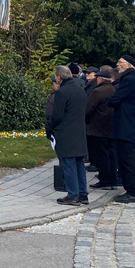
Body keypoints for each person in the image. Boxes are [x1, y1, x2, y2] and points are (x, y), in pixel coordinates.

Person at [49, 65, 89, 206]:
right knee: (79, 163)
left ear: (59, 77)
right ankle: (83, 193)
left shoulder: (62, 92)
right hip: (79, 130)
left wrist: (50, 127)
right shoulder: (81, 90)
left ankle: (73, 194)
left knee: (69, 163)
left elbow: (57, 115)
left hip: (66, 132)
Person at [106, 55, 135, 203]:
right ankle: (131, 190)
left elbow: (114, 99)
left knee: (127, 160)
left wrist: (112, 100)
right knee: (127, 159)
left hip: (126, 126)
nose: (117, 65)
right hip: (126, 125)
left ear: (128, 65)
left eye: (120, 62)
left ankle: (133, 192)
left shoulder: (130, 80)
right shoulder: (130, 79)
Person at [86, 70, 117, 190]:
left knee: (102, 155)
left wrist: (86, 120)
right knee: (112, 154)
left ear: (101, 79)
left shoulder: (98, 91)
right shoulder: (114, 90)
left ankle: (104, 180)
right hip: (112, 127)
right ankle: (112, 179)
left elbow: (89, 109)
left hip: (99, 127)